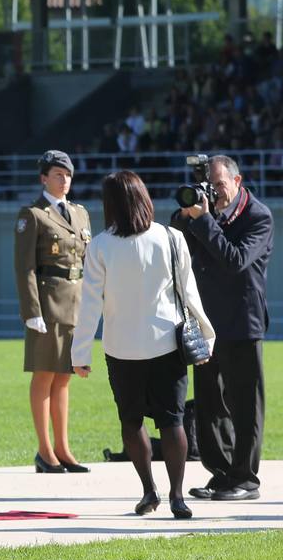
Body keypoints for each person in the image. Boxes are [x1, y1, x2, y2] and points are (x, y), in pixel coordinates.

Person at [72, 171, 215, 520]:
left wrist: (80, 353)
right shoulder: (171, 237)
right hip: (167, 342)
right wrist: (207, 338)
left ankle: (149, 491)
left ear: (111, 206)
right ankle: (178, 496)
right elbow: (189, 293)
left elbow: (89, 303)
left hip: (122, 348)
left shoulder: (101, 245)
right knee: (173, 421)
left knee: (131, 420)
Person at [170, 155, 273, 501]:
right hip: (207, 324)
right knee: (211, 403)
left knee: (245, 403)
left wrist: (204, 222)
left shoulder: (258, 216)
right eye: (209, 186)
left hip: (244, 323)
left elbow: (234, 260)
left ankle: (245, 478)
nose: (214, 193)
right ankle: (222, 471)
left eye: (219, 185)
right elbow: (178, 237)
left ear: (237, 180)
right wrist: (189, 216)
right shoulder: (206, 215)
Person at [13, 150, 92, 474]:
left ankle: (63, 449)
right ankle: (45, 452)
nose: (65, 180)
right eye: (58, 174)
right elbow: (25, 267)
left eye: (68, 175)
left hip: (76, 301)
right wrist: (32, 310)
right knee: (44, 375)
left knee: (64, 377)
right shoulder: (33, 214)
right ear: (44, 177)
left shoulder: (80, 213)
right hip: (47, 303)